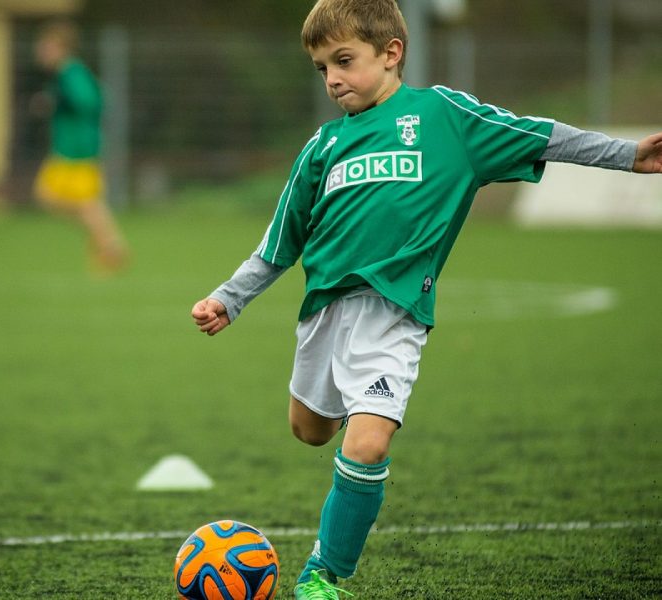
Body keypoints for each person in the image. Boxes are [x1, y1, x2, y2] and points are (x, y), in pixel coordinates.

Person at [191, 1, 662, 597]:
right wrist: (228, 300)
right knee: (309, 430)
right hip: (325, 316)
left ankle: (324, 575)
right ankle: (347, 417)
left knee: (368, 442)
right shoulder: (322, 148)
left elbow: (540, 133)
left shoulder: (442, 116)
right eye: (320, 68)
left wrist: (627, 154)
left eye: (343, 60)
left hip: (394, 316)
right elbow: (279, 243)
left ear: (391, 53)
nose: (332, 78)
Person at [33, 21, 128, 273]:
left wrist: (59, 100)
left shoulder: (71, 72)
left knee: (83, 203)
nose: (41, 51)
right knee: (53, 198)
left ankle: (110, 246)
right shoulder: (64, 75)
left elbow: (91, 100)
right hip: (67, 148)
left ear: (60, 47)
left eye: (46, 46)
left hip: (78, 149)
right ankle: (106, 242)